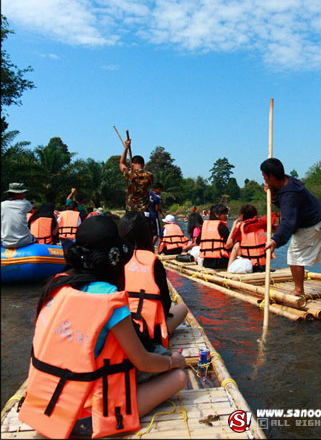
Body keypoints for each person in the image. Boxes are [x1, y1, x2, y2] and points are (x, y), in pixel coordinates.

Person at [18, 215, 186, 440]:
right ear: (114, 259)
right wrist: (173, 361)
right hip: (87, 418)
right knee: (179, 377)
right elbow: (143, 361)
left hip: (48, 406)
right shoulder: (108, 298)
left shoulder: (56, 285)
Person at [260, 158, 321, 295]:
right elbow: (284, 204)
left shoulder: (291, 194)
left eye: (265, 176)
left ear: (271, 176)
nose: (264, 179)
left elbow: (288, 221)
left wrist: (275, 240)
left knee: (294, 254)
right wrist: (272, 194)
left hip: (312, 225)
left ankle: (298, 289)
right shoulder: (287, 181)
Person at [118, 212, 188, 357]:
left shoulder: (116, 259)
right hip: (149, 333)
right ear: (146, 234)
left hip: (120, 331)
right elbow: (166, 303)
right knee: (182, 309)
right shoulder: (153, 262)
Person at [225, 204, 278, 272]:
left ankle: (229, 269)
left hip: (248, 266)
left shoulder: (241, 227)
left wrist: (233, 227)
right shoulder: (261, 224)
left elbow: (228, 245)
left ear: (242, 215)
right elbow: (275, 230)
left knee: (236, 245)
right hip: (263, 266)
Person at [119, 138, 154, 217]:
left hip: (131, 211)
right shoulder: (149, 175)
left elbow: (121, 163)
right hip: (144, 212)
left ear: (132, 164)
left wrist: (126, 147)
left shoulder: (129, 173)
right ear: (143, 164)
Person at [1, 183, 36, 248]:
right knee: (35, 239)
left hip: (5, 242)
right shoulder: (25, 203)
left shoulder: (2, 205)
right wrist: (23, 199)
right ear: (18, 194)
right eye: (22, 193)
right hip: (23, 241)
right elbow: (30, 208)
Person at [197, 203, 230, 269]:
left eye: (226, 214)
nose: (226, 216)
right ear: (216, 215)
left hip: (207, 262)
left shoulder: (204, 226)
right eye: (223, 214)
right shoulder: (222, 227)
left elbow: (198, 241)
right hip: (221, 262)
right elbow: (229, 244)